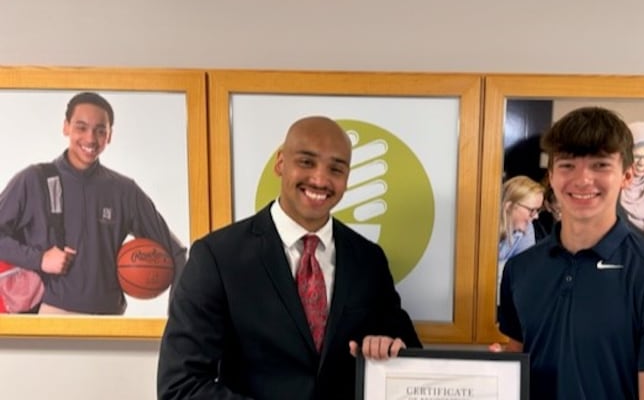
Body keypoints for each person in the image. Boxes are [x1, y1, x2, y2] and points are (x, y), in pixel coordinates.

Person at [157, 116, 421, 400]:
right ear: (281, 162)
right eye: (306, 162)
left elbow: (410, 362)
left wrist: (389, 350)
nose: (320, 179)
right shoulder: (217, 257)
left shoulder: (369, 260)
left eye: (336, 168)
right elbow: (181, 386)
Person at [495, 107, 644, 399]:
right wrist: (495, 372)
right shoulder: (519, 270)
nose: (582, 179)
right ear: (551, 176)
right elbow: (518, 371)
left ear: (627, 176)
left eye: (601, 165)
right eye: (567, 165)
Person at [0, 92, 186, 315]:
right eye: (81, 127)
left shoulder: (124, 190)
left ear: (109, 136)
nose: (90, 139)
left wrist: (180, 321)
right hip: (51, 314)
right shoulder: (34, 179)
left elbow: (176, 253)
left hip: (110, 319)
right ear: (66, 127)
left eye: (100, 131)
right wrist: (40, 259)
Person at [496, 175, 545, 304]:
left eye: (538, 210)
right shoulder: (485, 229)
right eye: (532, 210)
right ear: (509, 206)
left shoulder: (527, 228)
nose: (536, 216)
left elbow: (524, 270)